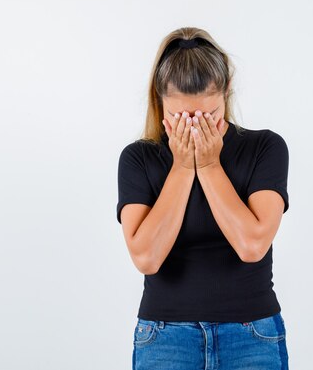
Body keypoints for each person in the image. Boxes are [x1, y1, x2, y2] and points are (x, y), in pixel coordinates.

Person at [116, 27, 290, 370]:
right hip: (165, 338)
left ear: (226, 94)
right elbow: (147, 257)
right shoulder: (139, 159)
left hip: (251, 335)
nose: (195, 127)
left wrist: (209, 165)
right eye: (181, 117)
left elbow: (252, 245)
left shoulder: (265, 148)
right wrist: (182, 167)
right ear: (160, 102)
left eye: (207, 116)